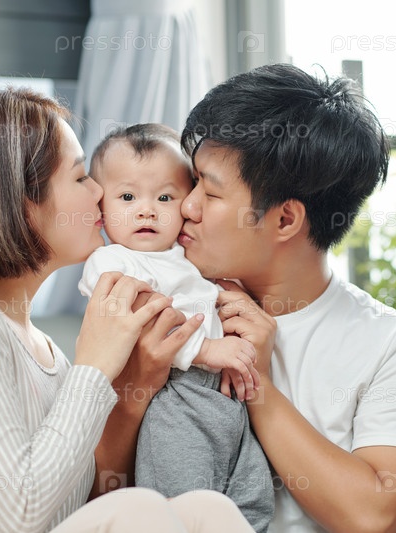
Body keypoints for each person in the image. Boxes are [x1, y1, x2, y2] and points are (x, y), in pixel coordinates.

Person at [0, 87, 254, 533]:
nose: (99, 191)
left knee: (206, 510)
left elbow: (94, 500)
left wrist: (136, 386)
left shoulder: (46, 353)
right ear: (21, 202)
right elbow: (19, 517)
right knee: (141, 509)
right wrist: (94, 366)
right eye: (80, 178)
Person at [96, 64, 396, 533]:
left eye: (210, 192)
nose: (186, 206)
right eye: (191, 182)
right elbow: (97, 503)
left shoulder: (394, 343)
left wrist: (257, 384)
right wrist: (135, 391)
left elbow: (374, 517)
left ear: (284, 220)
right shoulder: (155, 302)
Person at [78, 123, 274, 532]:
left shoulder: (185, 254)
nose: (147, 210)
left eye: (165, 197)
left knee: (252, 502)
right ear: (101, 209)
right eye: (127, 197)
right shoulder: (113, 261)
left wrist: (235, 302)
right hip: (174, 396)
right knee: (184, 502)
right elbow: (141, 317)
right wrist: (207, 350)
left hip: (227, 401)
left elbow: (210, 292)